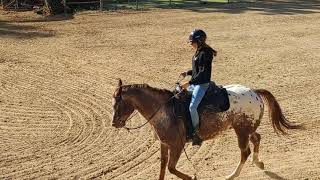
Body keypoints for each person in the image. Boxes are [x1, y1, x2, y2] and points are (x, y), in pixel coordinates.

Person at [180, 29, 217, 146]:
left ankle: (197, 132)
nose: (191, 44)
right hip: (196, 82)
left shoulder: (206, 53)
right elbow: (197, 70)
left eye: (192, 42)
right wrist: (188, 72)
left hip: (202, 84)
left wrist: (189, 83)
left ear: (199, 41)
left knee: (192, 107)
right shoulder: (198, 51)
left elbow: (202, 73)